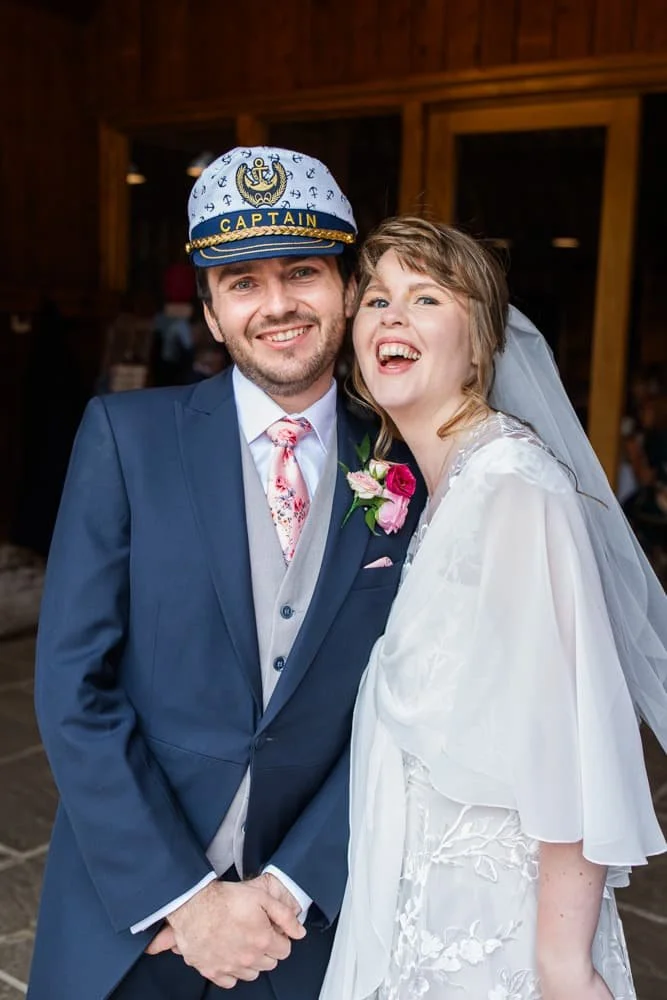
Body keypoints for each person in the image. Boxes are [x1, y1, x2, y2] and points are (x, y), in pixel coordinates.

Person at [28, 150, 424, 1000]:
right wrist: (186, 898)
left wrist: (291, 884)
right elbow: (72, 685)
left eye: (303, 273)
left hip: (311, 929)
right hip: (133, 921)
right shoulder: (125, 439)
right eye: (241, 282)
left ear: (347, 289)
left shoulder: (408, 461)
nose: (277, 304)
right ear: (209, 312)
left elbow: (415, 706)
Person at [319, 217, 667, 1000]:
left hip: (490, 935)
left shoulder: (512, 488)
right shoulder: (448, 486)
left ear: (478, 347)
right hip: (417, 908)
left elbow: (570, 737)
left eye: (426, 296)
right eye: (375, 299)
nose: (393, 316)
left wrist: (560, 962)